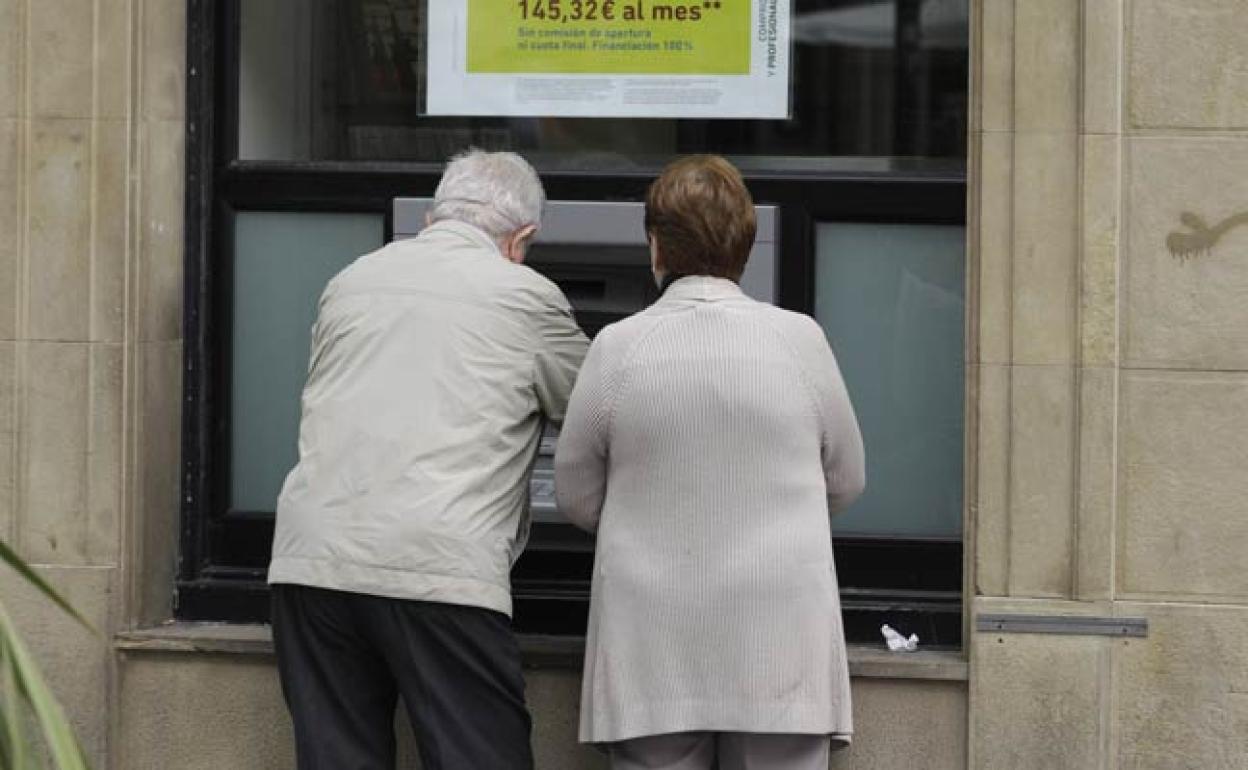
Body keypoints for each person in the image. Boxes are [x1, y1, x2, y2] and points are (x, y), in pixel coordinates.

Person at [268, 149, 589, 770]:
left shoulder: (352, 278)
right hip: (441, 567)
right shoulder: (525, 294)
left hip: (313, 562)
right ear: (521, 238)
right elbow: (597, 412)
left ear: (431, 216)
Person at [555, 155, 866, 770]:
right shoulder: (801, 340)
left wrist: (646, 519)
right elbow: (846, 480)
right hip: (781, 644)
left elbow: (575, 495)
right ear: (744, 247)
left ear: (655, 248)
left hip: (653, 644)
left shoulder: (617, 347)